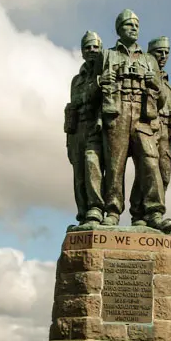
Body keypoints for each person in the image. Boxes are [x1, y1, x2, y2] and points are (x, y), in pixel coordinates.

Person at [99, 10, 171, 233]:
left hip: (143, 117)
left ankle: (153, 212)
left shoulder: (149, 60)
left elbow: (162, 100)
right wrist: (101, 81)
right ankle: (112, 212)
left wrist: (156, 84)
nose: (133, 28)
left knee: (150, 163)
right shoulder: (107, 56)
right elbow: (95, 91)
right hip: (118, 113)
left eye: (136, 25)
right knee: (115, 166)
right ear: (118, 29)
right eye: (128, 24)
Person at [129, 36, 171, 226]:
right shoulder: (144, 75)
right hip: (148, 126)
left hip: (166, 130)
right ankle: (142, 213)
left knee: (163, 174)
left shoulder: (168, 85)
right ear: (150, 54)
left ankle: (147, 216)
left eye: (167, 52)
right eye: (159, 52)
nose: (164, 56)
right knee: (148, 169)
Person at [64, 31, 105, 229]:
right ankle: (83, 216)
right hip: (76, 130)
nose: (92, 50)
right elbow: (75, 101)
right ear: (82, 52)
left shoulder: (105, 74)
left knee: (91, 163)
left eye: (95, 47)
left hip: (95, 127)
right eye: (88, 47)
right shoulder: (76, 80)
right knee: (79, 174)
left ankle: (96, 209)